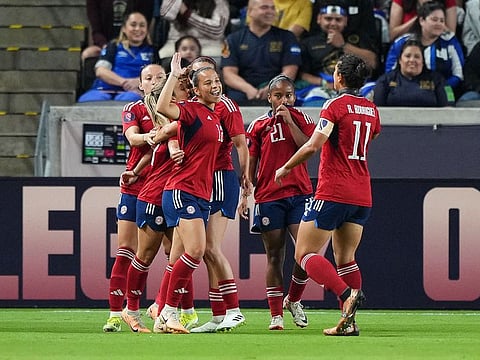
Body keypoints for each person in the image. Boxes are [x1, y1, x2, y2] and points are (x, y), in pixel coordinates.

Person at [275, 53, 381, 336]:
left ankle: (346, 294)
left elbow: (314, 145)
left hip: (334, 190)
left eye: (335, 71)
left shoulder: (334, 105)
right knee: (346, 258)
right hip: (362, 193)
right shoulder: (371, 109)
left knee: (304, 253)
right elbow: (371, 137)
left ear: (340, 77)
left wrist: (286, 166)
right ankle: (350, 323)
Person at [153, 53, 224, 334]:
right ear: (196, 89)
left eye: (217, 80)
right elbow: (162, 107)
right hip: (182, 191)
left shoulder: (215, 115)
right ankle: (168, 313)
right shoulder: (192, 110)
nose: (215, 86)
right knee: (195, 251)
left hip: (200, 193)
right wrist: (173, 74)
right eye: (208, 83)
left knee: (177, 260)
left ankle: (162, 313)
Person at [245, 75, 316, 330]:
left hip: (299, 194)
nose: (283, 100)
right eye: (278, 96)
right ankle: (276, 314)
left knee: (306, 251)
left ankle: (294, 299)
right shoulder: (258, 125)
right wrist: (247, 192)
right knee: (274, 255)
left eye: (288, 95)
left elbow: (306, 147)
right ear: (269, 97)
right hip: (269, 196)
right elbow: (251, 163)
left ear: (294, 97)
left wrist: (288, 121)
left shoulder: (304, 120)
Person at [102, 63, 164, 332]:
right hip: (136, 187)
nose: (154, 81)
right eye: (148, 78)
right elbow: (132, 138)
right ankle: (116, 314)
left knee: (174, 253)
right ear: (141, 85)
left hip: (166, 187)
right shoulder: (134, 109)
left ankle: (168, 308)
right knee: (126, 250)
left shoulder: (174, 110)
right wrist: (149, 136)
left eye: (160, 77)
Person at [220, 0, 302, 106]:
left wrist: (271, 88)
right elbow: (229, 74)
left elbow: (290, 72)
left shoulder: (287, 37)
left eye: (273, 8)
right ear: (250, 11)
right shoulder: (233, 39)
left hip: (277, 88)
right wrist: (248, 89)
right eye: (264, 7)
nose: (270, 12)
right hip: (242, 89)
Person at [297, 1, 378, 106]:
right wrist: (325, 83)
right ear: (319, 19)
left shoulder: (358, 39)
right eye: (328, 19)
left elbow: (373, 63)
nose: (333, 23)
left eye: (338, 20)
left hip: (358, 86)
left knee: (376, 92)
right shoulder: (308, 42)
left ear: (346, 21)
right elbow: (302, 74)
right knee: (313, 102)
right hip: (323, 88)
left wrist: (343, 45)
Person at [385, 1, 464, 99]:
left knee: (449, 98)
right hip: (405, 90)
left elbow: (458, 74)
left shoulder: (450, 41)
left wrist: (440, 87)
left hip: (444, 90)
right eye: (434, 19)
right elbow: (389, 72)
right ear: (422, 20)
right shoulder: (403, 42)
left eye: (442, 21)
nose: (439, 24)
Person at [78, 11, 155, 103]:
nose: (138, 29)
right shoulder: (113, 46)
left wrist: (139, 82)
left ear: (147, 30)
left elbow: (157, 77)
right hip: (104, 90)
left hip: (134, 92)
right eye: (133, 25)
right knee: (87, 100)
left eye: (142, 25)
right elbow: (101, 71)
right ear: (124, 29)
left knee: (129, 100)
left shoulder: (152, 51)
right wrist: (124, 82)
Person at [373, 38, 448, 106]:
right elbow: (377, 111)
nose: (412, 60)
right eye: (408, 56)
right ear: (400, 60)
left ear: (423, 61)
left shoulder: (438, 80)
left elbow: (449, 108)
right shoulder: (385, 80)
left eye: (417, 57)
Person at [82, 0, 154, 61]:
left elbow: (142, 25)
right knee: (88, 54)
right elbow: (97, 31)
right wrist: (108, 47)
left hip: (134, 42)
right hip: (105, 44)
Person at [158, 0, 230, 60]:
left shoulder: (220, 2)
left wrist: (186, 13)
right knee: (162, 56)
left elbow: (217, 30)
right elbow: (166, 14)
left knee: (220, 58)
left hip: (209, 43)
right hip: (178, 42)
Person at [389, 0, 457, 41]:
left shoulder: (448, 1)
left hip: (438, 47)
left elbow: (451, 35)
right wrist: (422, 14)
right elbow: (392, 35)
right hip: (407, 46)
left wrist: (434, 17)